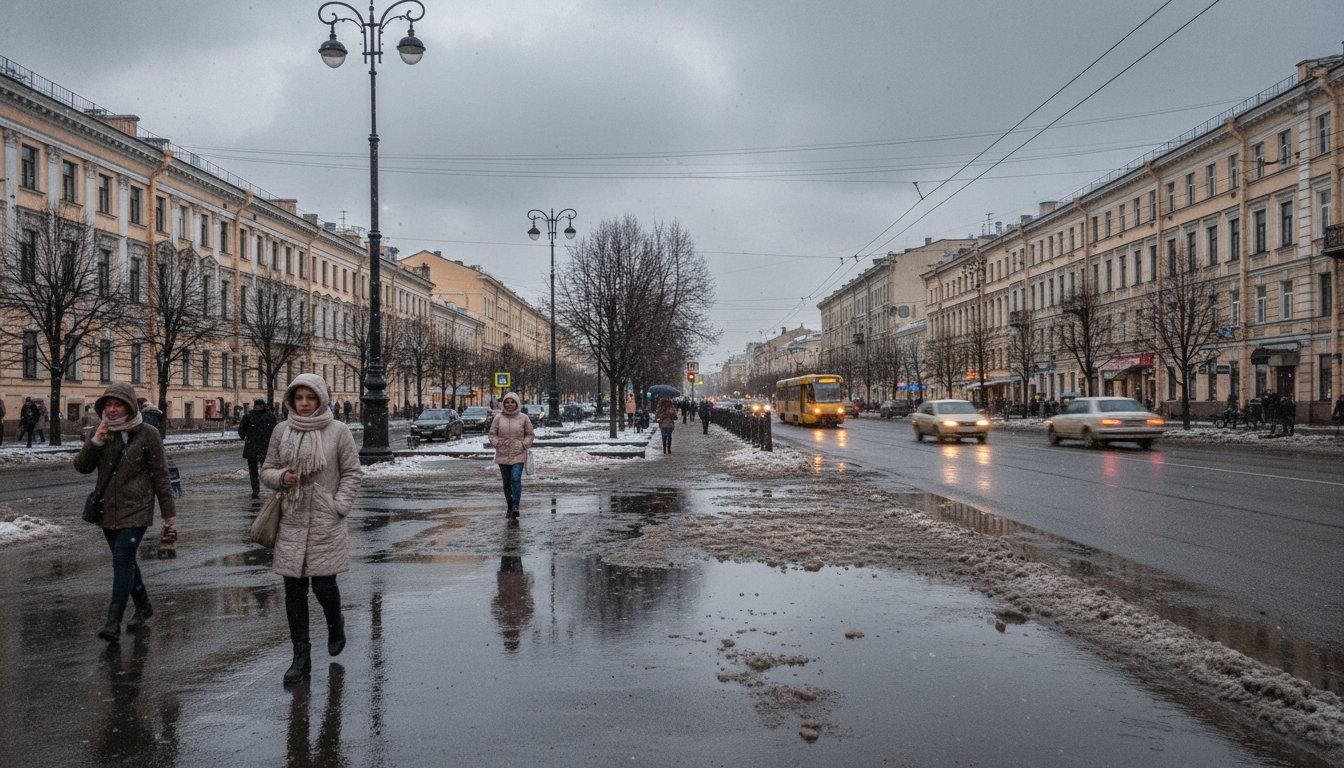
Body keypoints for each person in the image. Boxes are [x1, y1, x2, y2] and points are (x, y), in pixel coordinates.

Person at [261, 374, 362, 685]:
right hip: (290, 519)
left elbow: (352, 473)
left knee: (324, 587)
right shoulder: (282, 431)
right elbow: (266, 470)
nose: (304, 404)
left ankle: (335, 622)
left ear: (321, 399)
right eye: (298, 398)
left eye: (310, 397)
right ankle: (300, 658)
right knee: (294, 592)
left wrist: (338, 506)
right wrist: (281, 477)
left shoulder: (338, 431)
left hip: (324, 520)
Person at [73, 382, 177, 643]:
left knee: (122, 560)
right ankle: (143, 606)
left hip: (137, 508)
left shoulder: (148, 434)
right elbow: (82, 467)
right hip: (106, 509)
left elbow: (160, 474)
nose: (112, 409)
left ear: (129, 406)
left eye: (117, 405)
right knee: (126, 561)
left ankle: (113, 620)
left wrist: (168, 511)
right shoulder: (101, 431)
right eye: (108, 405)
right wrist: (96, 441)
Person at [488, 392, 534, 519]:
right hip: (502, 454)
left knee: (515, 479)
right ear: (504, 404)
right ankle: (509, 505)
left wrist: (524, 444)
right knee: (506, 482)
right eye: (507, 402)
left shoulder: (523, 418)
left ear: (517, 403)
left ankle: (515, 506)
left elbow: (530, 434)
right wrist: (497, 443)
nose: (510, 404)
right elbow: (492, 434)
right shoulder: (498, 418)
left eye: (512, 402)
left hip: (518, 453)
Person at [238, 398, 277, 499]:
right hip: (263, 446)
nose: (258, 407)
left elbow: (241, 431)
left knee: (260, 470)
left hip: (255, 446)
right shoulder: (269, 415)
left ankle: (258, 489)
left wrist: (245, 436)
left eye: (260, 405)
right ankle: (258, 489)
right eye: (257, 405)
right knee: (261, 469)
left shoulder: (249, 416)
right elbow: (274, 430)